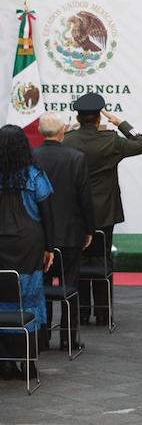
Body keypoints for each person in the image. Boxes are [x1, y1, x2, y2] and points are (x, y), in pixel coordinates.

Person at [63, 93, 142, 326]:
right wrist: (120, 123)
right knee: (102, 261)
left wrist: (67, 129)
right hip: (104, 210)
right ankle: (103, 313)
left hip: (76, 211)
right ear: (99, 117)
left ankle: (80, 312)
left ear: (78, 117)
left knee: (78, 261)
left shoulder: (68, 140)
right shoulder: (111, 140)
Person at [33, 112, 95, 351]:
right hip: (71, 233)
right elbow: (84, 198)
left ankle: (43, 335)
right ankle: (69, 337)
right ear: (63, 131)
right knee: (71, 285)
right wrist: (89, 229)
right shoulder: (76, 158)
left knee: (43, 285)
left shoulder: (32, 157)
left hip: (40, 234)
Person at [0, 125, 53, 380]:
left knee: (2, 297)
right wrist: (49, 248)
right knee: (29, 298)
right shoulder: (35, 175)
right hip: (29, 243)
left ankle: (4, 362)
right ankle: (28, 361)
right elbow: (47, 215)